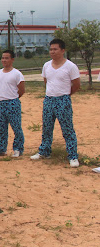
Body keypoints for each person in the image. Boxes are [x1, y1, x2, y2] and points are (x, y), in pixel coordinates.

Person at [31, 38, 80, 167]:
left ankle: (73, 156)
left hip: (63, 99)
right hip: (49, 99)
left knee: (67, 129)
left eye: (55, 49)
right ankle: (45, 151)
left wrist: (66, 94)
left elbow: (76, 84)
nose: (52, 52)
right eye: (51, 49)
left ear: (62, 50)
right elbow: (46, 81)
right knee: (46, 127)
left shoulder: (70, 66)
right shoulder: (46, 65)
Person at [0, 50, 25, 157]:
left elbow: (21, 90)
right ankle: (2, 148)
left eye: (6, 58)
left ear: (12, 59)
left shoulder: (17, 74)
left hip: (13, 103)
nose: (4, 60)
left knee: (16, 127)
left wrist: (13, 97)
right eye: (3, 58)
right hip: (1, 103)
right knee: (2, 128)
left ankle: (18, 148)